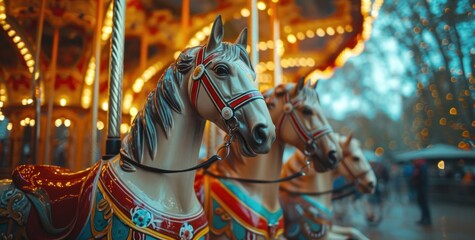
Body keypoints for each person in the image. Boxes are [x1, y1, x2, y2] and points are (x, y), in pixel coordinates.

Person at [411, 159, 431, 226]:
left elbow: (422, 179)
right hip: (420, 189)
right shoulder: (419, 168)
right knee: (422, 205)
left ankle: (427, 220)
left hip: (422, 189)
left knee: (424, 205)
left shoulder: (422, 168)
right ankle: (424, 219)